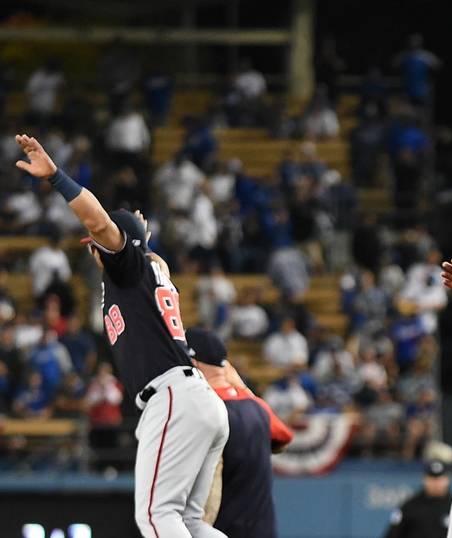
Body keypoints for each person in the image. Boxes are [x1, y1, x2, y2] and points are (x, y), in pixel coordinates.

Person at [15, 134, 229, 538]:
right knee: (188, 524)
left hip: (171, 396)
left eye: (97, 245)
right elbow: (145, 251)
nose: (93, 250)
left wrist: (57, 177)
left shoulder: (128, 270)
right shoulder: (148, 270)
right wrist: (138, 237)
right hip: (194, 397)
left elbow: (99, 224)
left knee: (156, 517)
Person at [188, 328, 293, 538]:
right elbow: (282, 437)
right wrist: (241, 386)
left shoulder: (205, 412)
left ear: (193, 365)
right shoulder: (256, 409)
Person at [385, 460, 452, 538]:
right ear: (425, 480)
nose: (436, 483)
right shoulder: (410, 506)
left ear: (447, 480)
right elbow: (392, 534)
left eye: (439, 479)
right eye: (432, 479)